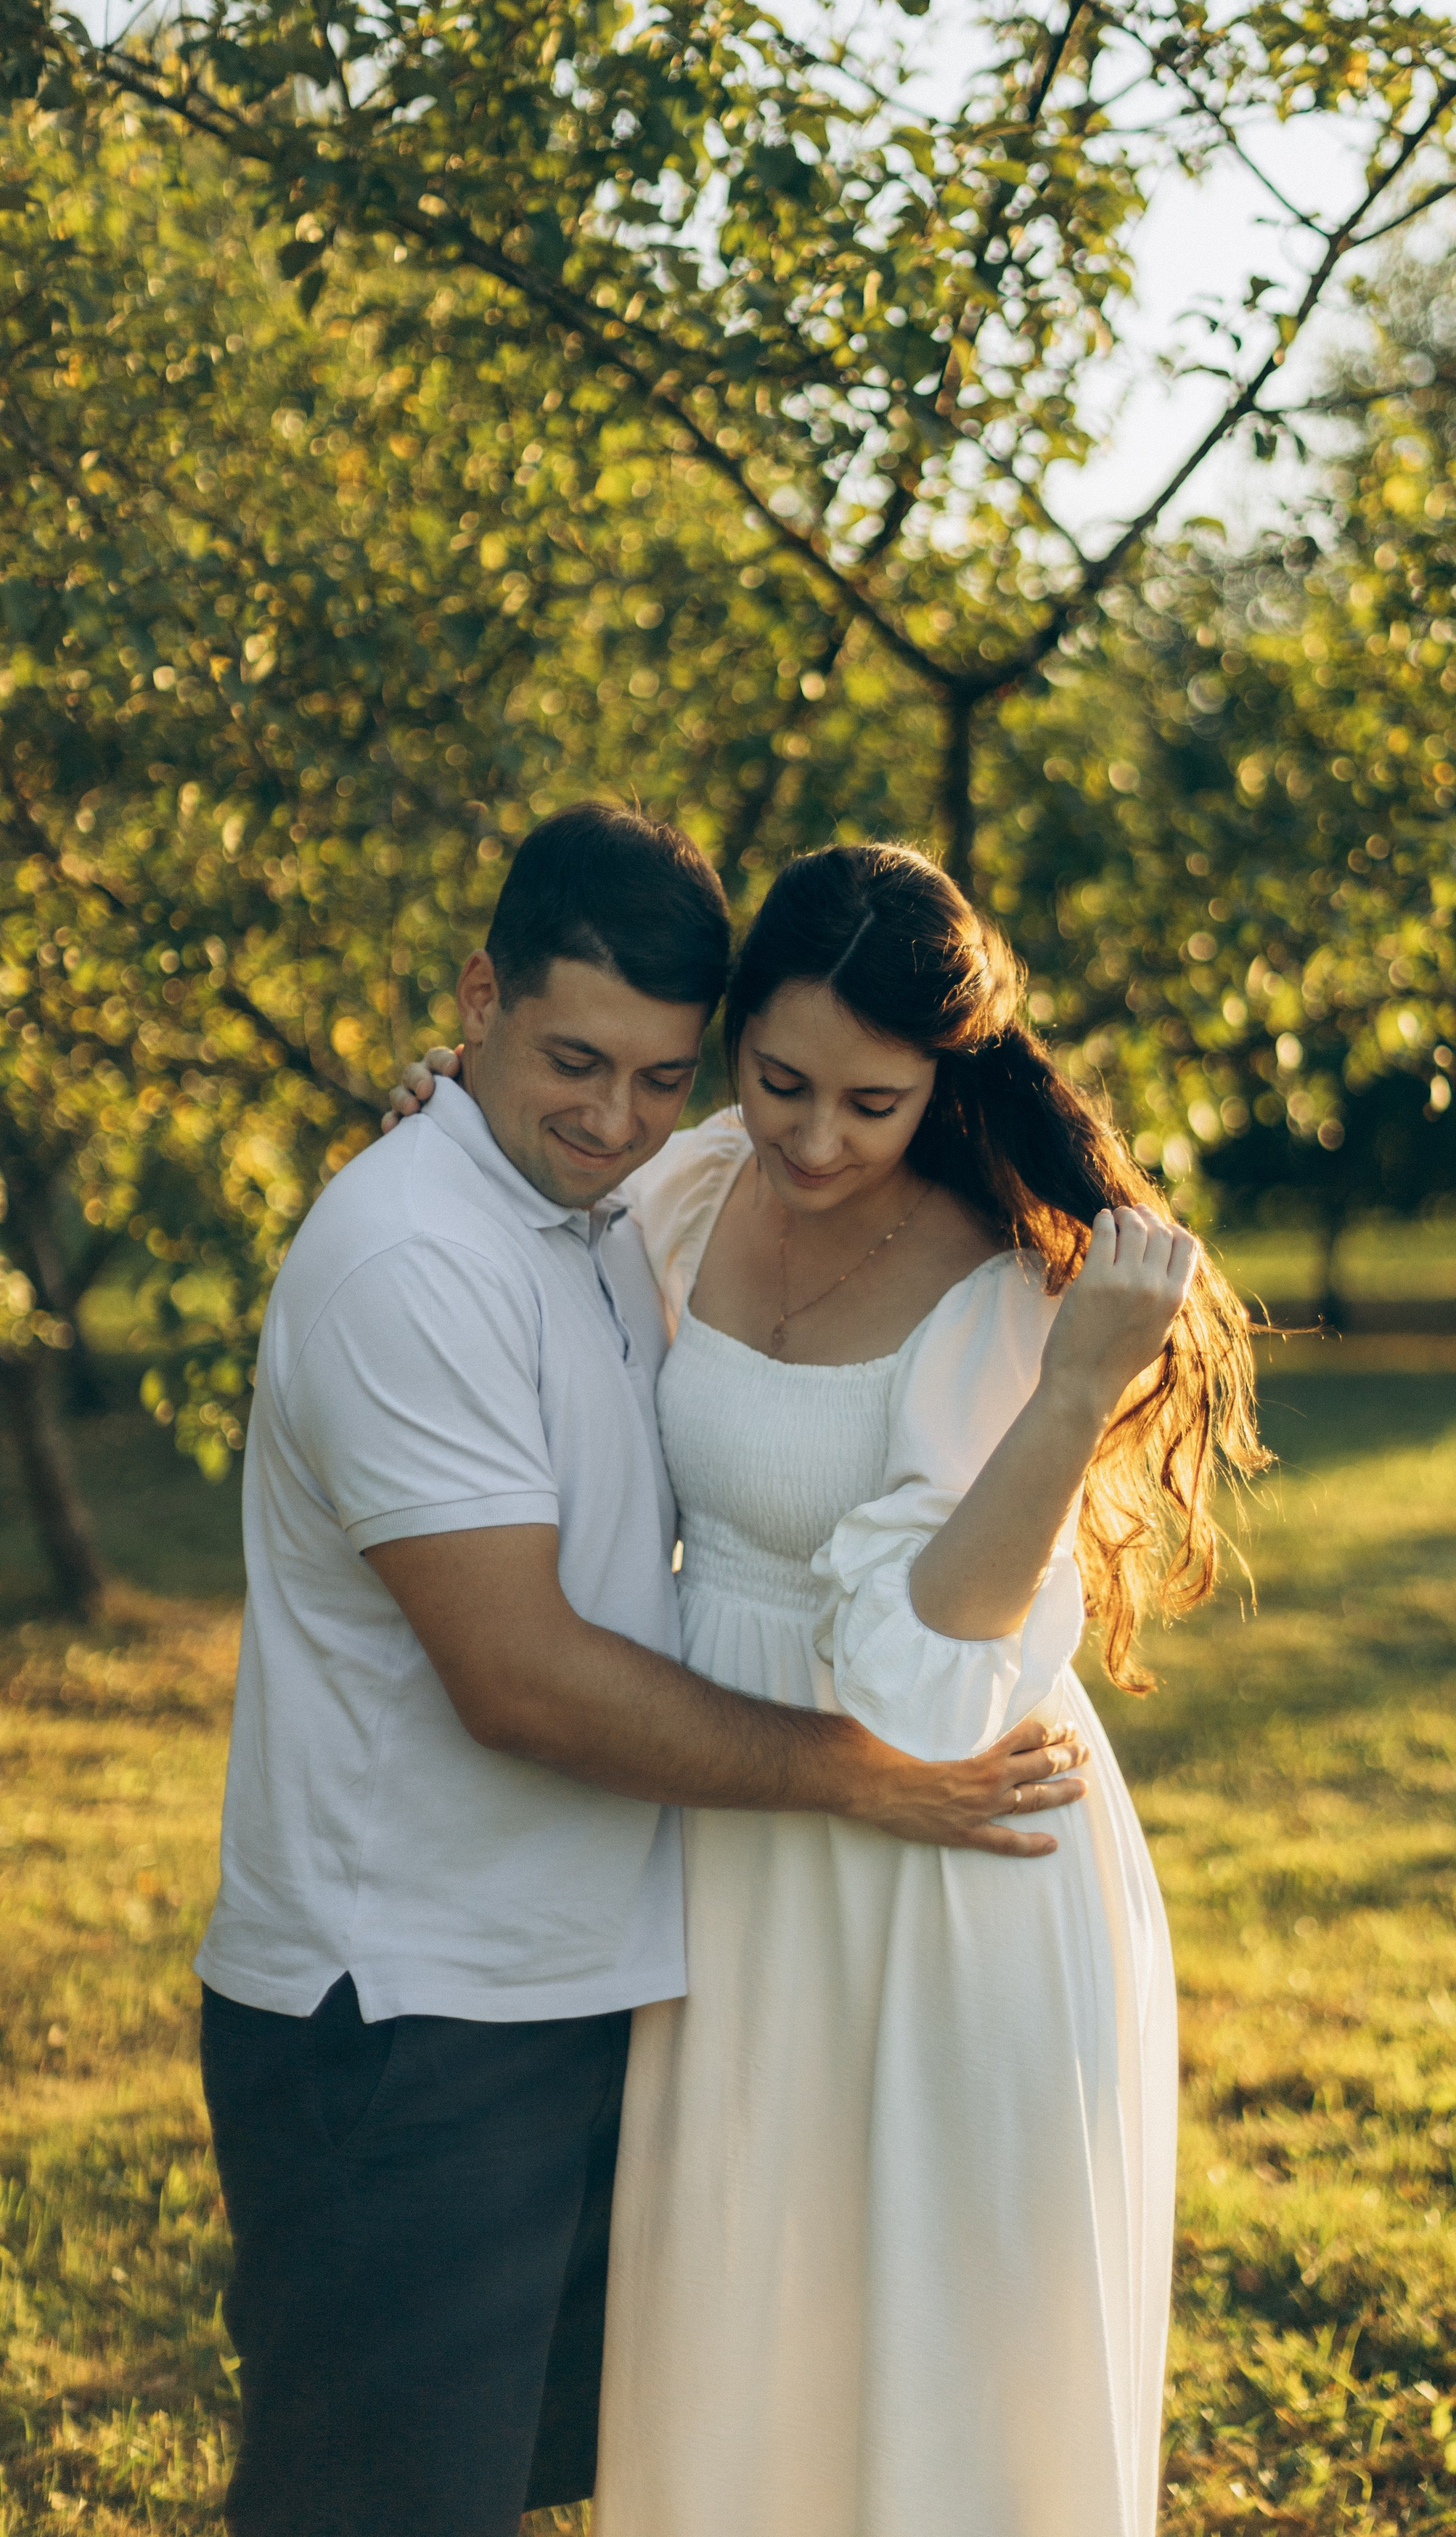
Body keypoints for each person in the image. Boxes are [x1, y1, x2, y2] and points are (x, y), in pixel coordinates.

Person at [195, 804, 1089, 2537]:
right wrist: (858, 1774)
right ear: (478, 998)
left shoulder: (609, 1209)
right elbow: (518, 1677)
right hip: (401, 2005)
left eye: (663, 1078)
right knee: (374, 2502)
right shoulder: (415, 1254)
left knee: (621, 2465)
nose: (614, 1118)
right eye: (570, 1060)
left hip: (581, 1978)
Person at [391, 839, 1264, 2536]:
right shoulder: (694, 1186)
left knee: (943, 2368)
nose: (810, 1138)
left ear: (944, 1078)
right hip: (725, 1830)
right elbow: (529, 1238)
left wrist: (1076, 1385)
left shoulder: (1004, 1285)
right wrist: (458, 1097)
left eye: (869, 1105)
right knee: (736, 2332)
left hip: (948, 1856)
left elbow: (929, 1685)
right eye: (776, 1079)